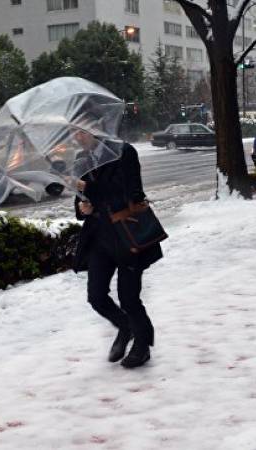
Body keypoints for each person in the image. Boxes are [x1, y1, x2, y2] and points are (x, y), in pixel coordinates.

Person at [74, 132, 162, 369]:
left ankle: (142, 345)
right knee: (96, 296)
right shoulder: (81, 159)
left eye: (81, 130)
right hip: (99, 237)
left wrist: (89, 189)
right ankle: (126, 327)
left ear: (94, 127)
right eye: (73, 131)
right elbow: (81, 199)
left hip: (126, 233)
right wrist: (83, 207)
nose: (76, 136)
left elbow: (129, 191)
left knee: (129, 297)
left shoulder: (123, 152)